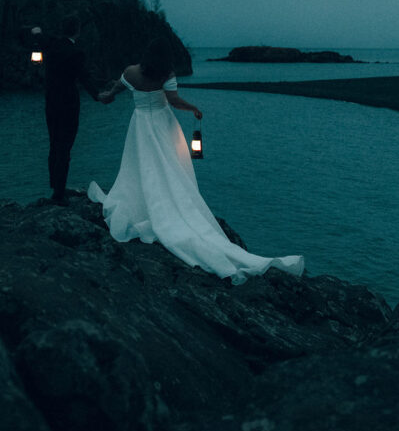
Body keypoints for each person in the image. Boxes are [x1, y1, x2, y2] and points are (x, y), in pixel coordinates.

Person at [89, 38, 304, 284]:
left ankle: (143, 204)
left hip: (140, 125)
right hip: (162, 123)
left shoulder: (130, 72)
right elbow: (174, 101)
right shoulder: (166, 73)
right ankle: (168, 204)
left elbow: (115, 91)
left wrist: (103, 95)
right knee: (169, 167)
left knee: (142, 166)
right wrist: (194, 109)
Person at [31, 15, 101, 206]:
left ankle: (55, 186)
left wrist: (36, 31)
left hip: (51, 103)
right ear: (77, 30)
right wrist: (98, 95)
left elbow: (39, 36)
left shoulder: (51, 44)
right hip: (68, 105)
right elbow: (84, 77)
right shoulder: (75, 53)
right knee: (65, 147)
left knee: (54, 144)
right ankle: (59, 194)